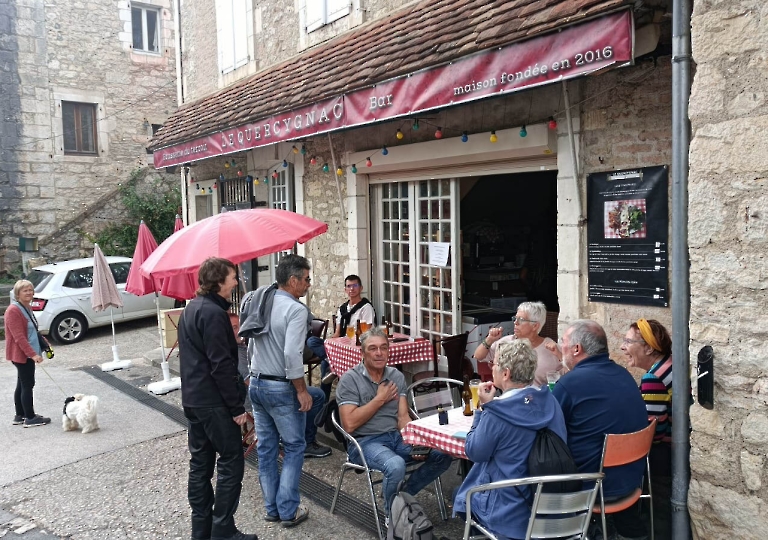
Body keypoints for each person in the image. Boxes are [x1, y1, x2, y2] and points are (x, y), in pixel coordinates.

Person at [454, 339, 567, 540]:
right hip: (548, 504)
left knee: (463, 496)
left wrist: (482, 410)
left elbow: (474, 452)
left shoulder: (497, 413)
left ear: (505, 373)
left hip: (508, 512)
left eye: (494, 364)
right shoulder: (550, 400)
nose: (492, 368)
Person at [247, 254, 330, 529]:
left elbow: (250, 344)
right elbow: (292, 355)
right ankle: (288, 509)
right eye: (306, 279)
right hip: (279, 386)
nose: (309, 284)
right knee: (295, 446)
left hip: (257, 382)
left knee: (268, 448)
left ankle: (272, 508)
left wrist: (252, 374)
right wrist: (302, 390)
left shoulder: (260, 299)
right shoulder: (295, 310)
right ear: (293, 280)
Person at [177, 257, 257, 540]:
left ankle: (201, 530)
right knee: (231, 459)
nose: (236, 281)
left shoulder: (192, 308)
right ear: (218, 281)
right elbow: (220, 365)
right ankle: (222, 528)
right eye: (232, 277)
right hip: (212, 401)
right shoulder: (211, 313)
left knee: (200, 463)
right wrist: (236, 406)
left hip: (194, 398)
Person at [336, 327, 452, 517]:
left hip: (396, 438)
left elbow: (402, 417)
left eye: (384, 347)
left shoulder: (395, 376)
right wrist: (380, 399)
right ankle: (394, 516)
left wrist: (414, 441)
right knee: (396, 465)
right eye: (373, 348)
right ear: (362, 352)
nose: (379, 353)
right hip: (364, 442)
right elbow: (349, 424)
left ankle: (401, 497)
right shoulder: (350, 380)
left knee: (442, 454)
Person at [552, 320, 649, 540]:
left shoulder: (570, 383)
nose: (560, 347)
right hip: (632, 480)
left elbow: (547, 432)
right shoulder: (624, 375)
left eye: (563, 342)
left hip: (591, 485)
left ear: (577, 349)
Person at [621, 318, 674, 540]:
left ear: (649, 347)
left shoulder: (653, 377)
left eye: (628, 341)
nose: (623, 347)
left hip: (666, 454)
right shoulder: (669, 364)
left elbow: (654, 432)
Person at [306, 274, 376, 397]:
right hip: (341, 347)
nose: (352, 289)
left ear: (361, 288)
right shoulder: (343, 309)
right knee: (312, 341)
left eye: (355, 286)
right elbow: (337, 333)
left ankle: (323, 399)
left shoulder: (366, 307)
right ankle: (330, 358)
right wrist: (329, 343)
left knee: (324, 364)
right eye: (349, 286)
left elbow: (367, 332)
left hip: (356, 348)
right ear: (345, 289)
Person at [473, 301, 563, 387]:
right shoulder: (507, 342)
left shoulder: (550, 348)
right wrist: (489, 340)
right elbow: (478, 356)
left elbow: (568, 374)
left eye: (521, 320)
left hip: (538, 399)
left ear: (535, 326)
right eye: (515, 318)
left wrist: (560, 355)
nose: (515, 323)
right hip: (511, 397)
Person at [4, 280, 51, 427]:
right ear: (18, 294)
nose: (29, 292)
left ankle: (20, 415)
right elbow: (19, 337)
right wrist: (33, 354)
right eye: (25, 290)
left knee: (22, 383)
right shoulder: (13, 310)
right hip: (22, 354)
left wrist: (45, 343)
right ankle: (30, 417)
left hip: (26, 352)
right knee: (28, 384)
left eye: (31, 290)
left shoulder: (26, 307)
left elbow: (32, 330)